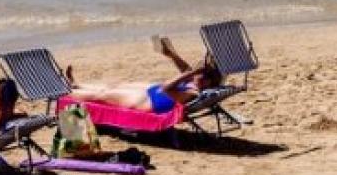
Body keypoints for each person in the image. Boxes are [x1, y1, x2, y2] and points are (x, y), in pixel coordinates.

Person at [63, 36, 221, 117]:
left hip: (147, 102)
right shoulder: (195, 83)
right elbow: (185, 69)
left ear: (207, 81)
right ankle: (77, 85)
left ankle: (65, 92)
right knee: (115, 85)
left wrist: (192, 73)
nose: (196, 73)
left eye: (201, 74)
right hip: (150, 94)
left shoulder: (193, 92)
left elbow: (167, 87)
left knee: (103, 95)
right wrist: (172, 55)